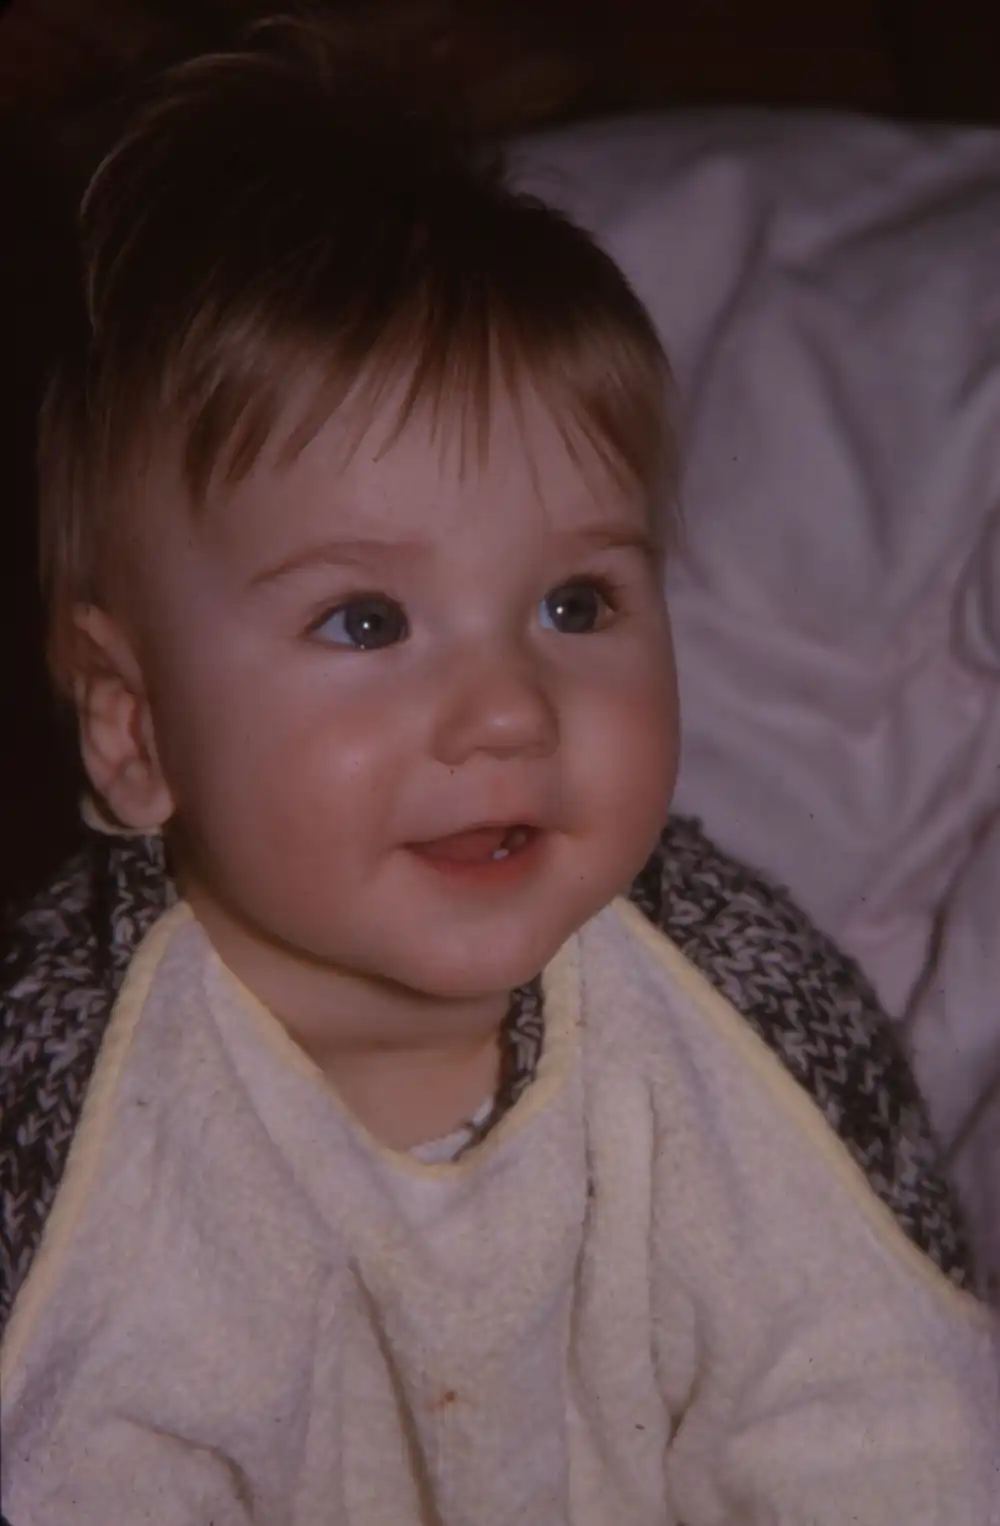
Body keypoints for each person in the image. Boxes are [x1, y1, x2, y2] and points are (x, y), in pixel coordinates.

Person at [1, 16, 997, 1523]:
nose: (508, 712)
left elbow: (886, 1413)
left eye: (575, 604)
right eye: (367, 620)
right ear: (135, 730)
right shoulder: (76, 1120)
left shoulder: (746, 1015)